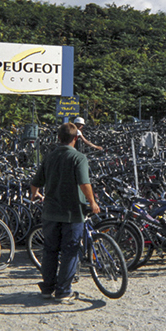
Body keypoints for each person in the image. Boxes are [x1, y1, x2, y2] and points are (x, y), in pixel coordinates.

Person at [30, 122, 100, 303]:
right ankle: (63, 291)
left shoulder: (49, 157)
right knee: (70, 251)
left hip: (50, 212)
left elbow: (36, 182)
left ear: (59, 138)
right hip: (72, 212)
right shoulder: (78, 158)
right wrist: (92, 202)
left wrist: (34, 194)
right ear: (76, 138)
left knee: (50, 250)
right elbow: (85, 184)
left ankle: (47, 288)